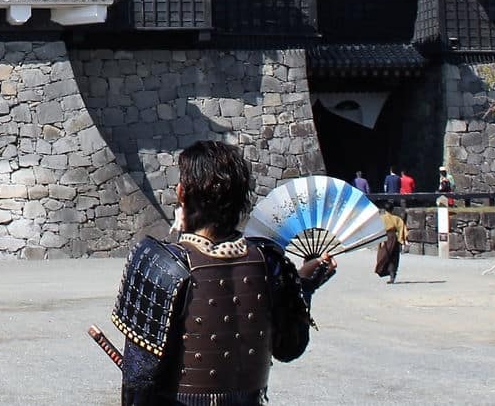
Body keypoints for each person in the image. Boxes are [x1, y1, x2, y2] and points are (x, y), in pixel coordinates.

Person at [109, 141, 334, 405]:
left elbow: (138, 381)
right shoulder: (270, 263)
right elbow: (290, 348)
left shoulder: (162, 265)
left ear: (182, 194)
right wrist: (303, 285)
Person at [375, 203, 409, 284]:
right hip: (394, 238)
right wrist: (401, 239)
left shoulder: (381, 218)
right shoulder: (397, 219)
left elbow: (377, 229)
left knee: (383, 256)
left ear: (385, 209)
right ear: (392, 209)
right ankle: (392, 275)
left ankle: (383, 270)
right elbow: (402, 228)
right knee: (393, 257)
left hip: (385, 238)